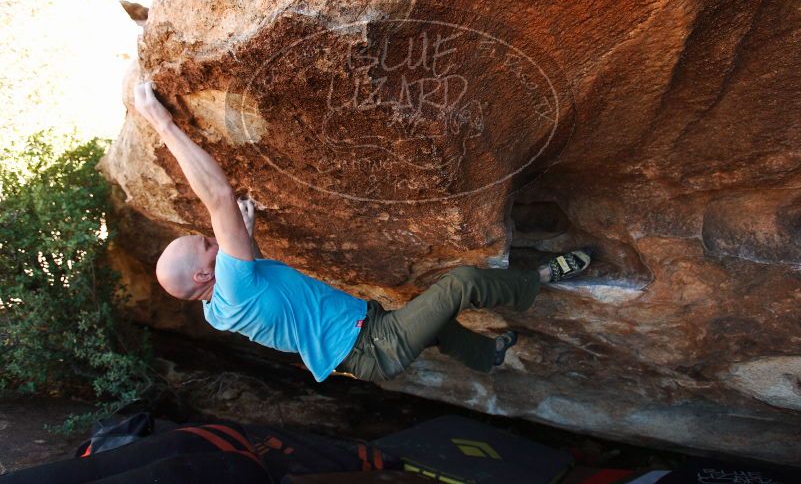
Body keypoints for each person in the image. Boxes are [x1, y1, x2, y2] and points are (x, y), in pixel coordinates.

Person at [133, 81, 592, 383]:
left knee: (432, 325)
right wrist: (161, 122)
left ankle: (485, 356)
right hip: (375, 345)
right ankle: (546, 277)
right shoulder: (233, 285)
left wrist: (246, 237)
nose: (213, 237)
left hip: (366, 334)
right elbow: (218, 198)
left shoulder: (219, 308)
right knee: (462, 284)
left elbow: (263, 286)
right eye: (208, 243)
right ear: (200, 277)